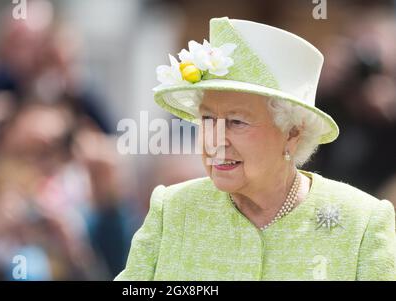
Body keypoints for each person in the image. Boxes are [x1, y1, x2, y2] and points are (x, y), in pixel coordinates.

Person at [115, 17, 396, 280]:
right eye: (207, 119)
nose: (215, 140)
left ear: (292, 132)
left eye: (236, 122)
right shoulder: (173, 209)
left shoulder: (362, 223)